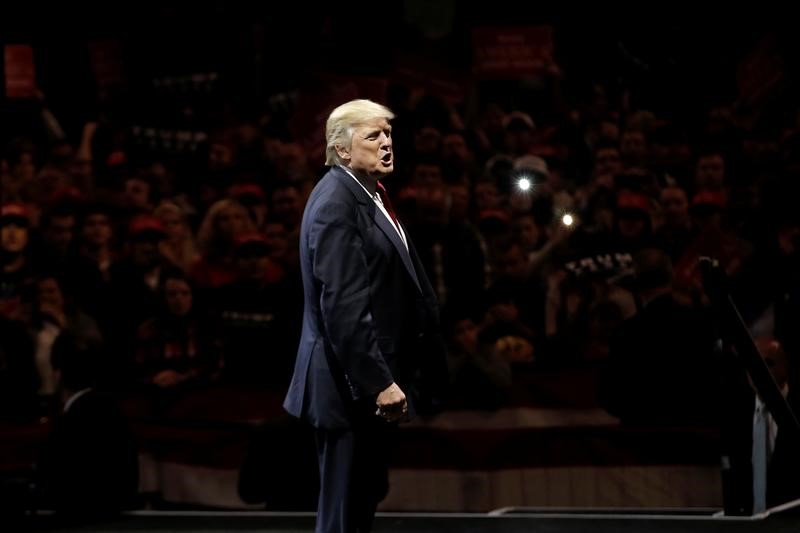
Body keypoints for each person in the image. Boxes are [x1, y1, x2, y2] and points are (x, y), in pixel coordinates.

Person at [283, 99, 446, 533]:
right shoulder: (337, 203)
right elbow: (343, 306)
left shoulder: (367, 192)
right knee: (343, 513)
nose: (387, 143)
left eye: (388, 134)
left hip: (361, 389)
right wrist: (379, 383)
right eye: (373, 136)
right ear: (342, 149)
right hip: (348, 390)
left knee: (359, 503)